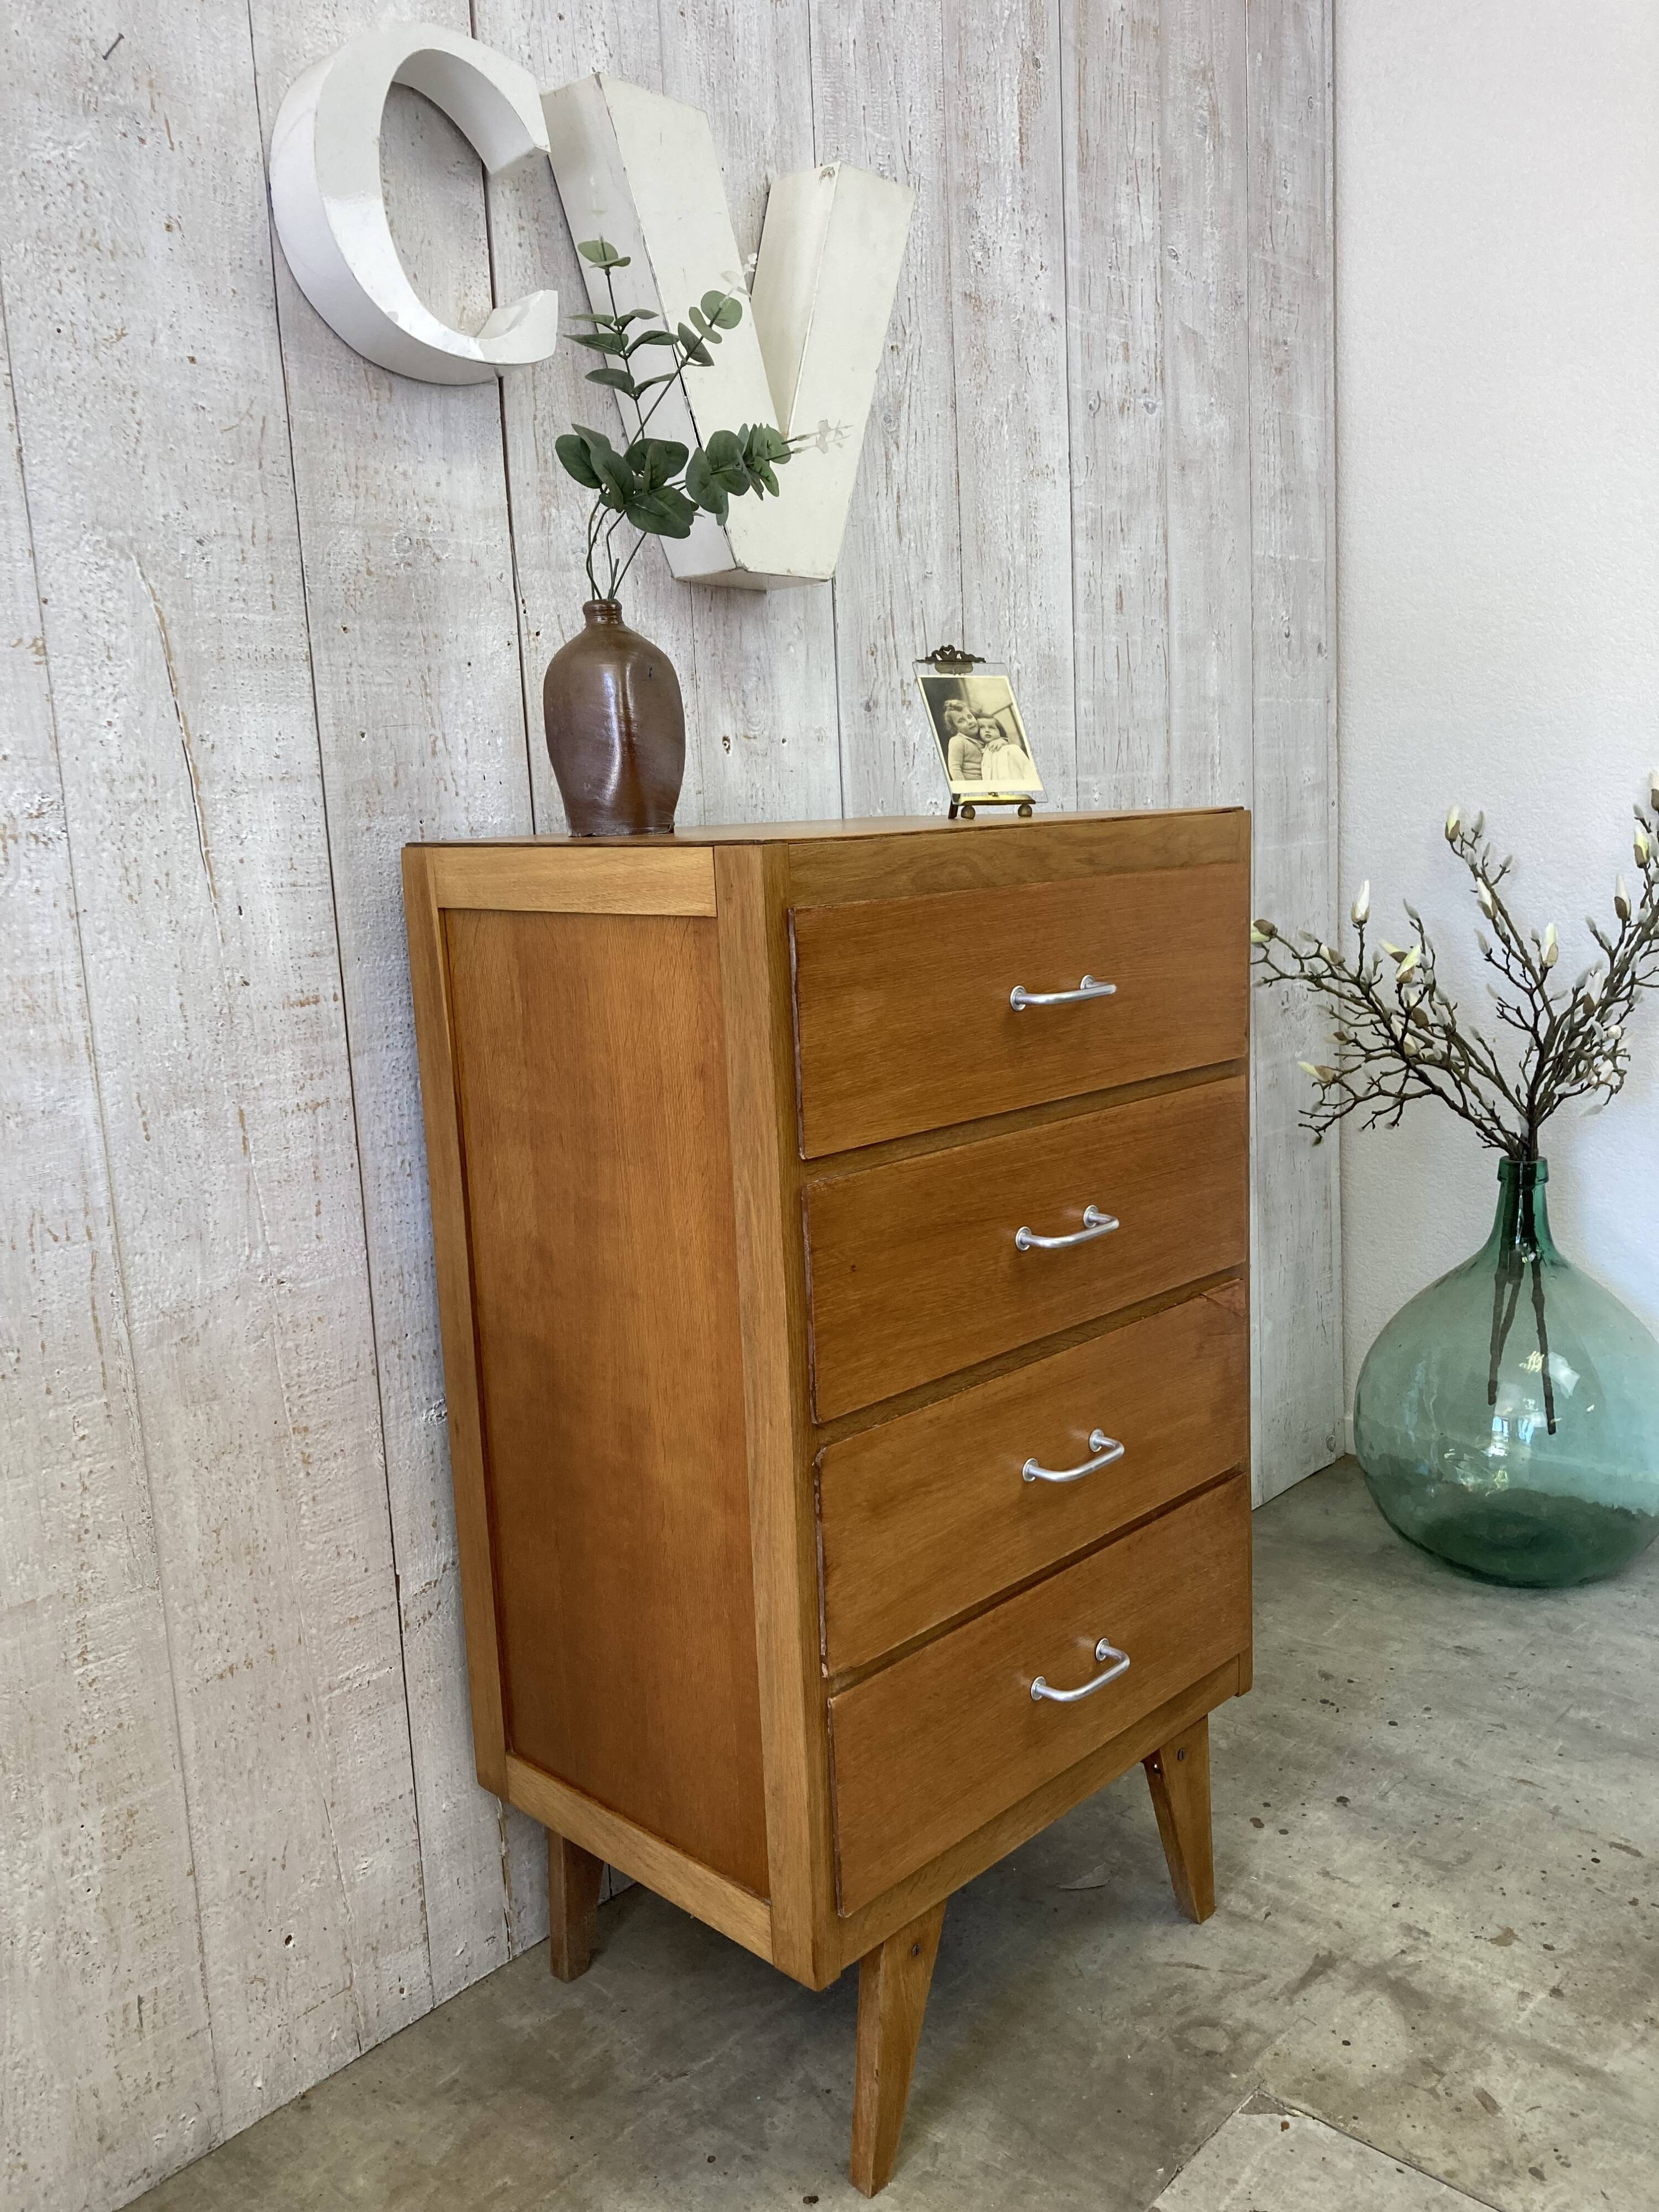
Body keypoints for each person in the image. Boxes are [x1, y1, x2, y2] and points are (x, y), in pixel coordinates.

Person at [939, 696, 985, 783]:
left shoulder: (982, 736)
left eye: (970, 717)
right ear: (955, 728)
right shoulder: (958, 741)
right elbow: (955, 769)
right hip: (972, 787)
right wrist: (966, 790)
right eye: (961, 721)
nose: (969, 722)